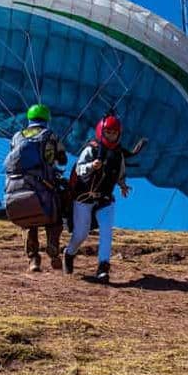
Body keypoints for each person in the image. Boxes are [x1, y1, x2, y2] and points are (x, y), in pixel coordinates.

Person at [63, 114, 131, 284]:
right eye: (108, 132)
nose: (111, 136)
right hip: (84, 197)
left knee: (107, 232)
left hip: (105, 199)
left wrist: (123, 185)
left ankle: (103, 267)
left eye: (114, 133)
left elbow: (120, 173)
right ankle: (69, 253)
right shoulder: (91, 149)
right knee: (81, 234)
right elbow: (79, 170)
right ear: (102, 131)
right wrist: (91, 166)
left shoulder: (118, 154)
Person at [5, 104, 67, 272]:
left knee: (28, 221)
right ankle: (53, 248)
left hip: (17, 186)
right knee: (55, 217)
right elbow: (62, 160)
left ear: (29, 118)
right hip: (42, 185)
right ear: (47, 119)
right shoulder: (50, 135)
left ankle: (33, 259)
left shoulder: (17, 136)